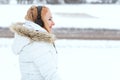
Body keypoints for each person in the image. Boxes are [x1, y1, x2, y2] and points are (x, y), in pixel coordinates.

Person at [10, 5, 61, 80]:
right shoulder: (37, 45)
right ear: (39, 22)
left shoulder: (30, 41)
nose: (53, 23)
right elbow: (51, 74)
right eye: (49, 19)